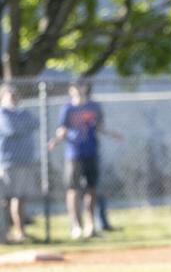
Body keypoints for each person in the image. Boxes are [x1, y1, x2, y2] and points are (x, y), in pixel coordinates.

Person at [48, 81, 122, 239]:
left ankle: (91, 225)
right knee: (73, 189)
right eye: (75, 87)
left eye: (81, 86)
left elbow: (100, 126)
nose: (78, 90)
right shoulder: (67, 109)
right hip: (74, 153)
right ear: (70, 90)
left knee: (92, 189)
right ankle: (76, 226)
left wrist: (111, 134)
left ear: (85, 88)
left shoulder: (94, 107)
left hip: (91, 152)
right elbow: (62, 129)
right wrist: (56, 139)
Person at [0, 84, 39, 243]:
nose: (15, 99)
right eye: (11, 96)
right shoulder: (2, 113)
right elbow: (11, 129)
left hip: (26, 161)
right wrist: (24, 125)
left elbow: (36, 123)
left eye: (16, 96)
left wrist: (21, 123)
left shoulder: (23, 112)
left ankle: (20, 231)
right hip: (9, 162)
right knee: (9, 198)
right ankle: (8, 233)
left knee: (21, 198)